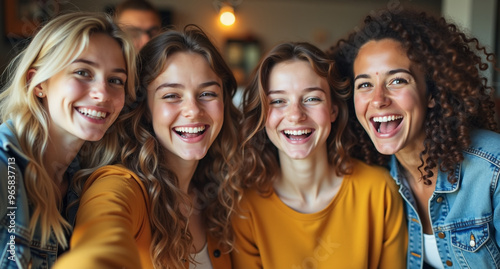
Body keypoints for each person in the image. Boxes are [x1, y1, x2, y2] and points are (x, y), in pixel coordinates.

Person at [54, 25, 241, 269]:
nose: (194, 110)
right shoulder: (119, 185)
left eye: (207, 93)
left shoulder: (218, 192)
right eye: (171, 95)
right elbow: (98, 242)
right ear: (145, 108)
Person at [330, 9, 500, 269]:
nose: (378, 99)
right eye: (364, 84)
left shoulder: (492, 170)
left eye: (397, 80)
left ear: (432, 92)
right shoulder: (379, 181)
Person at [231, 42, 407, 268]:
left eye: (312, 98)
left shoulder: (378, 190)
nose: (295, 115)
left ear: (333, 109)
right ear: (263, 115)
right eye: (278, 101)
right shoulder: (245, 208)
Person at [0, 12, 135, 269]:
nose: (102, 94)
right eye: (83, 72)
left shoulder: (86, 177)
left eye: (115, 80)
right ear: (37, 83)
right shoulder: (4, 165)